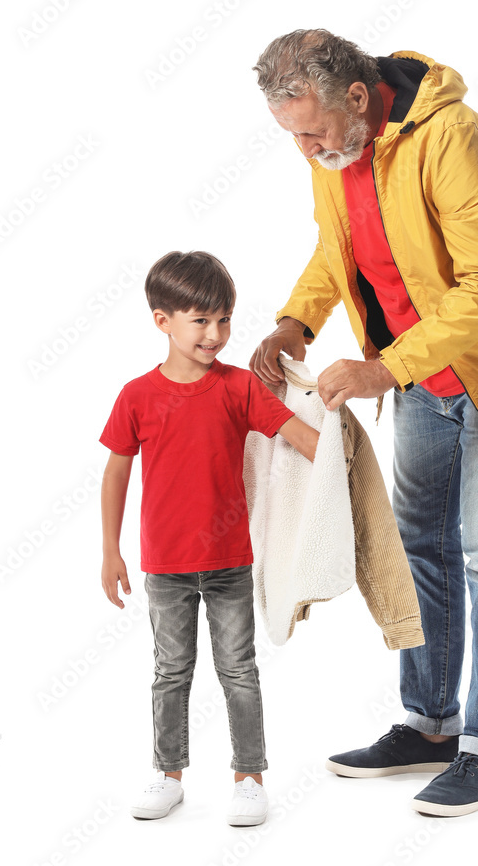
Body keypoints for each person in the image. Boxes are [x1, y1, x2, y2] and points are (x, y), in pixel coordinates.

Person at [250, 29, 478, 817]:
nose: (303, 149)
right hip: (417, 374)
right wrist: (296, 321)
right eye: (289, 135)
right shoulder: (334, 156)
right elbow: (337, 250)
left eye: (310, 130)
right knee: (419, 547)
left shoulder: (455, 139)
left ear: (357, 98)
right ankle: (431, 724)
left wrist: (380, 369)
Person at [99, 250, 319, 826]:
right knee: (170, 672)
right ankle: (167, 774)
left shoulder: (240, 388)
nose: (216, 333)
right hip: (165, 566)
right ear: (162, 320)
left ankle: (250, 777)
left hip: (229, 563)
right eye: (201, 320)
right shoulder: (136, 396)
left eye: (224, 319)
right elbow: (117, 470)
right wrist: (109, 551)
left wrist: (341, 434)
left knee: (239, 670)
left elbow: (301, 437)